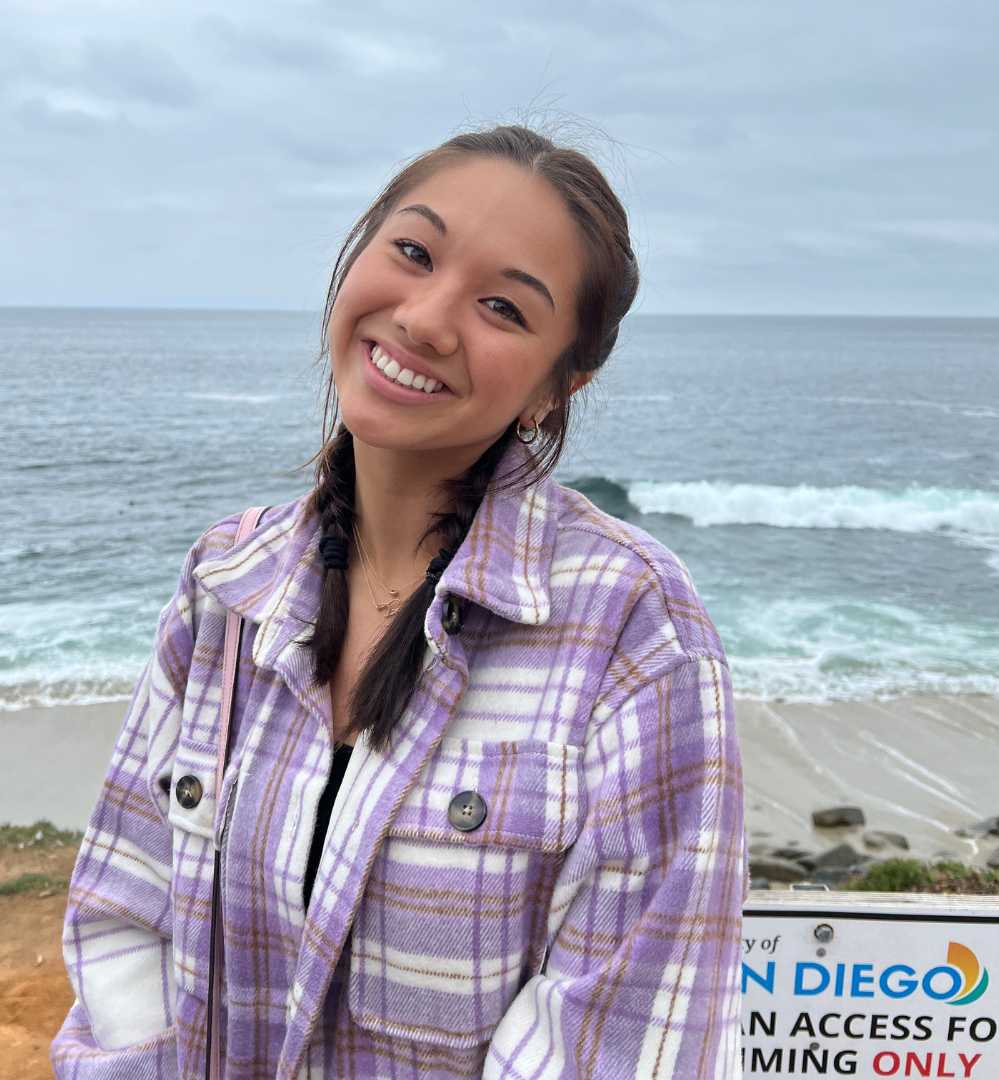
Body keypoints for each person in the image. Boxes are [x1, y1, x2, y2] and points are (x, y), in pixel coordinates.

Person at [52, 124, 746, 1080]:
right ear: (356, 256)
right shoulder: (226, 581)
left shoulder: (633, 626)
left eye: (503, 306)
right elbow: (121, 912)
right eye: (413, 251)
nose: (425, 317)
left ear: (559, 384)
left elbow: (626, 1037)